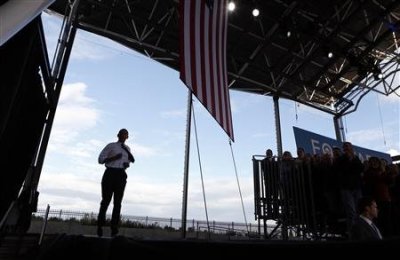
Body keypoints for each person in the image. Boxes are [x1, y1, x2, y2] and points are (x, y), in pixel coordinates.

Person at [96, 128, 135, 237]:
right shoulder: (111, 146)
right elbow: (100, 159)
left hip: (121, 175)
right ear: (118, 135)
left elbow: (128, 162)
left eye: (126, 135)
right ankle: (100, 225)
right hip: (110, 173)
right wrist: (113, 158)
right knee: (105, 200)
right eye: (122, 134)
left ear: (127, 137)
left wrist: (126, 165)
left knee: (118, 202)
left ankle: (114, 228)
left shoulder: (127, 149)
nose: (124, 136)